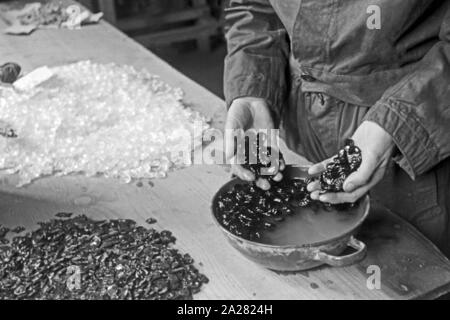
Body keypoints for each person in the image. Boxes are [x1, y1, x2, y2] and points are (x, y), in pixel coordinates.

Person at [223, 0, 450, 256]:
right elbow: (256, 8)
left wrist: (397, 120)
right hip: (302, 123)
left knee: (411, 268)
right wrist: (253, 86)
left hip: (418, 129)